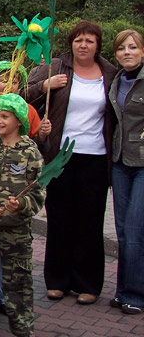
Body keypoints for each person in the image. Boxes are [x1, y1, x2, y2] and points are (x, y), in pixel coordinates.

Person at [26, 20, 117, 305]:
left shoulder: (110, 73)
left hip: (96, 157)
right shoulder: (56, 66)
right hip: (59, 156)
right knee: (60, 219)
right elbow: (23, 97)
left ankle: (88, 283)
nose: (83, 45)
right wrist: (44, 84)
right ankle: (57, 281)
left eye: (89, 40)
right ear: (71, 43)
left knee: (90, 221)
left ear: (97, 45)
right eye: (79, 40)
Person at [0, 61, 51, 314]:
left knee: (11, 255)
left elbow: (34, 142)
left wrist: (45, 135)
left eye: (15, 80)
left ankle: (4, 295)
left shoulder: (26, 110)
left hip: (14, 209)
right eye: (3, 79)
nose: (8, 84)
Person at [108, 29, 144, 315]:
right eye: (122, 49)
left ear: (142, 51)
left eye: (133, 48)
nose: (127, 52)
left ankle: (135, 294)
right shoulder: (117, 80)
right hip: (119, 161)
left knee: (134, 230)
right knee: (122, 231)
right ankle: (122, 291)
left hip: (142, 163)